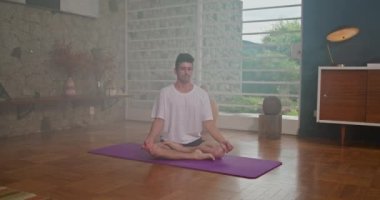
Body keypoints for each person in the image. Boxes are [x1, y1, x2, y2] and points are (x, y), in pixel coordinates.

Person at [142, 53, 233, 160]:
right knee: (154, 151)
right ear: (175, 71)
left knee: (219, 152)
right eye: (183, 69)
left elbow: (209, 124)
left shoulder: (202, 94)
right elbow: (159, 120)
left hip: (194, 143)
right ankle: (193, 155)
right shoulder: (165, 93)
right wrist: (150, 139)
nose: (186, 72)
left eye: (189, 69)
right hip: (170, 142)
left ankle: (187, 152)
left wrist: (223, 141)